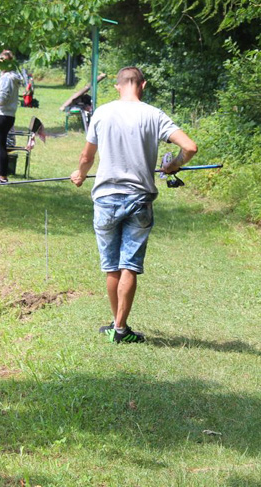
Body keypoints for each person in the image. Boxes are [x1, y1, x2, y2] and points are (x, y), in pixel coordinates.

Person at [70, 67, 198, 344]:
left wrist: (80, 174)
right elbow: (190, 147)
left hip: (105, 198)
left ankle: (118, 326)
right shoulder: (154, 114)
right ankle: (120, 328)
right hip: (139, 197)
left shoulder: (102, 113)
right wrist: (173, 165)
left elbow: (86, 155)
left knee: (112, 266)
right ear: (143, 85)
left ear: (117, 86)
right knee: (129, 264)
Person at [0, 50, 25, 184]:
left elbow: (2, 100)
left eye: (1, 60)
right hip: (7, 114)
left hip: (1, 114)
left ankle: (2, 176)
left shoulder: (6, 78)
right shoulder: (11, 77)